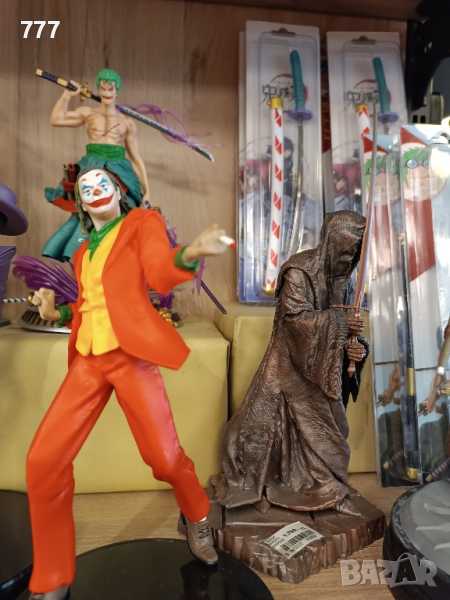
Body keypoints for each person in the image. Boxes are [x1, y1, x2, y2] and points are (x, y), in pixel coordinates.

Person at [27, 166, 231, 599]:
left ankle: (197, 512)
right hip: (88, 360)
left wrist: (192, 252)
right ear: (81, 205)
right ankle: (53, 577)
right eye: (87, 188)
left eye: (103, 183)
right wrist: (55, 313)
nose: (96, 190)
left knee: (164, 460)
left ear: (120, 192)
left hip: (130, 358)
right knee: (43, 461)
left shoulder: (141, 223)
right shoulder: (82, 253)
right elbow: (87, 304)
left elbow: (159, 270)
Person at [214, 210, 369, 516]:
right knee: (273, 430)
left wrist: (355, 351)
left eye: (355, 252)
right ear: (334, 240)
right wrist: (340, 324)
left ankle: (325, 484)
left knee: (335, 428)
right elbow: (295, 322)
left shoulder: (346, 280)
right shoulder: (298, 271)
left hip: (323, 370)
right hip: (289, 367)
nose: (350, 257)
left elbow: (347, 337)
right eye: (347, 249)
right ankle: (318, 487)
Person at [44, 69, 149, 261]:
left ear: (117, 91)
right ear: (99, 89)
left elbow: (135, 158)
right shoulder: (88, 113)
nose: (107, 92)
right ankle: (81, 252)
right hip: (92, 165)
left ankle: (121, 255)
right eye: (103, 88)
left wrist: (147, 190)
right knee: (85, 210)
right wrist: (67, 96)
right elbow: (56, 119)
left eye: (111, 88)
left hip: (119, 169)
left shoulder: (127, 123)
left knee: (126, 209)